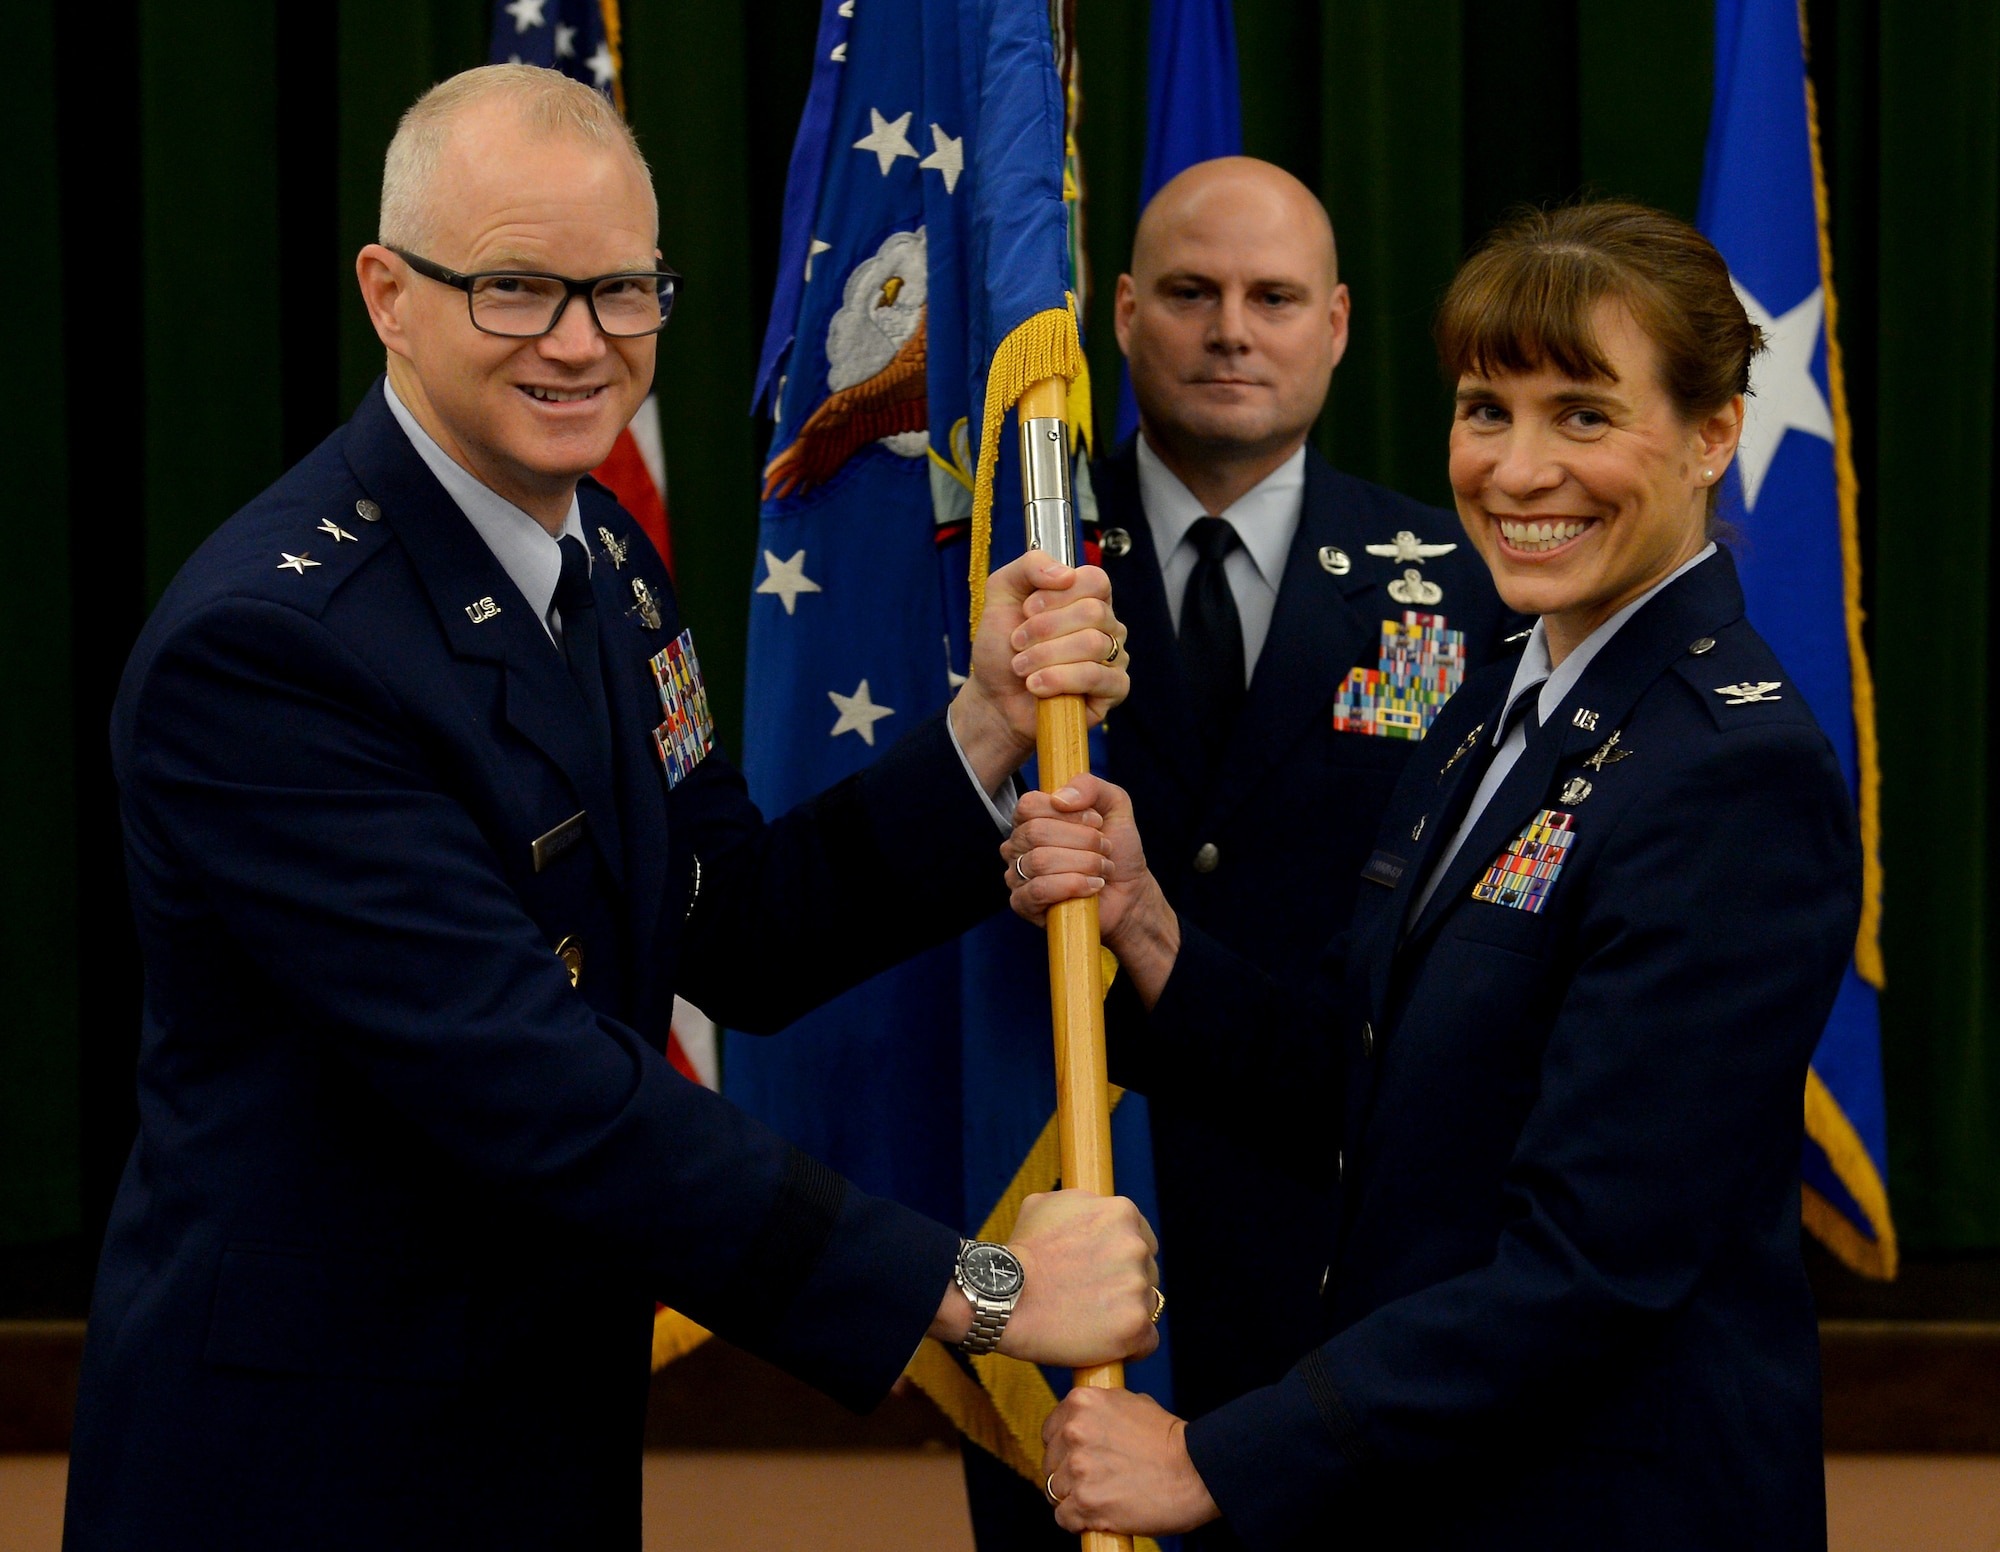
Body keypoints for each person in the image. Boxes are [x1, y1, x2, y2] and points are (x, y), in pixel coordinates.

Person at [64, 66, 1160, 1552]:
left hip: (536, 1425)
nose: (582, 345)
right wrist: (976, 1292)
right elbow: (539, 1086)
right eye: (516, 288)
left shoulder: (604, 564)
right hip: (312, 1460)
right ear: (388, 293)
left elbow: (735, 924)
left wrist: (979, 728)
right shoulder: (273, 650)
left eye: (625, 290)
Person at [1008, 201, 1862, 1548]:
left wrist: (1219, 1458)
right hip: (1440, 1488)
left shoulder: (1728, 775)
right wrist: (1153, 933)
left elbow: (1594, 1268)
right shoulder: (1491, 696)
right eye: (1486, 410)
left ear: (1712, 434)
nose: (1520, 472)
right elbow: (1386, 1090)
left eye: (1584, 416)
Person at [1085, 154, 1520, 1481]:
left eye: (1273, 297)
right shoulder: (1010, 568)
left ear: (1333, 326)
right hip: (1080, 1229)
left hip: (1347, 1262)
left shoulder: (1468, 591)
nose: (1229, 330)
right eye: (1191, 292)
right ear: (1121, 313)